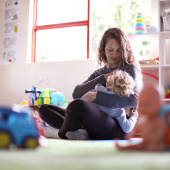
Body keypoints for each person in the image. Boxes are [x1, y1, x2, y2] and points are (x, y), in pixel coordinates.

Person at [38, 27, 143, 140]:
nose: (114, 54)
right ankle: (81, 131)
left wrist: (97, 97)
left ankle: (60, 133)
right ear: (103, 49)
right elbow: (77, 93)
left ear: (124, 50)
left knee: (77, 106)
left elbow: (134, 99)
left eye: (118, 50)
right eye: (110, 50)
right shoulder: (99, 73)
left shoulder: (128, 68)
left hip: (116, 125)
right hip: (93, 120)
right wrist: (104, 77)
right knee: (44, 109)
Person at [81, 69, 138, 134]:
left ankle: (81, 131)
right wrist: (133, 117)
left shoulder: (95, 92)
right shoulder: (118, 111)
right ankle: (84, 133)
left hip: (84, 120)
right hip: (101, 130)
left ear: (108, 83)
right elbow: (126, 128)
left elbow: (83, 100)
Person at [115, 86, 166, 151]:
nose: (143, 108)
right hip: (145, 143)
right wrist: (129, 137)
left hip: (156, 142)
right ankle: (124, 147)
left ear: (159, 104)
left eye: (147, 104)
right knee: (137, 146)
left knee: (155, 146)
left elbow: (160, 132)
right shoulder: (144, 121)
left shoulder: (159, 120)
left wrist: (153, 138)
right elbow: (137, 130)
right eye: (141, 104)